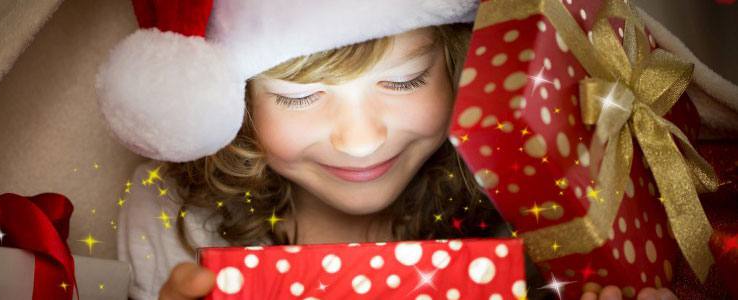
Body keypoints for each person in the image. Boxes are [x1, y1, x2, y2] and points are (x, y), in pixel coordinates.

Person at [98, 1, 680, 299]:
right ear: (236, 105)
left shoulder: (538, 202)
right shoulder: (173, 219)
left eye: (404, 82)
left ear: (456, 63)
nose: (362, 140)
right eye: (300, 98)